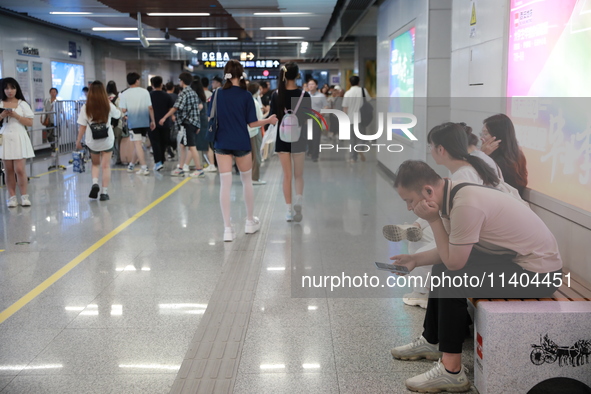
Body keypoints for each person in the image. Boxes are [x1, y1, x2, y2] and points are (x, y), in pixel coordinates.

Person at [389, 160, 562, 393]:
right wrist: (415, 260)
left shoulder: (465, 204)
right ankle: (432, 341)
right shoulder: (451, 194)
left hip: (539, 276)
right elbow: (450, 251)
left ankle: (451, 371)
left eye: (409, 201)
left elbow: (454, 261)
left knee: (453, 278)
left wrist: (433, 221)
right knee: (443, 271)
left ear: (428, 191)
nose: (410, 208)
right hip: (519, 263)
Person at [210, 60, 277, 241]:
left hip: (221, 142)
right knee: (246, 181)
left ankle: (227, 229)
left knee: (225, 184)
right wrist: (268, 120)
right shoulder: (246, 96)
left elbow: (212, 117)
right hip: (241, 142)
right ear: (241, 75)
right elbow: (252, 123)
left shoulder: (217, 94)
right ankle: (249, 222)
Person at [270, 62, 311, 222]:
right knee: (298, 175)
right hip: (299, 137)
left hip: (282, 138)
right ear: (298, 75)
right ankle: (299, 200)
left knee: (286, 175)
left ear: (284, 75)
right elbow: (307, 118)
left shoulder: (276, 94)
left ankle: (288, 210)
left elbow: (274, 117)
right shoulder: (304, 96)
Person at [75, 81, 121, 201]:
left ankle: (95, 183)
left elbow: (82, 126)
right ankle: (104, 193)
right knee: (106, 166)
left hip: (93, 141)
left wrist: (78, 140)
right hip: (107, 140)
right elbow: (117, 115)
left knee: (95, 164)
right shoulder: (108, 104)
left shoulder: (86, 107)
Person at [159, 72, 204, 178]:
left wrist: (164, 117)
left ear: (182, 81)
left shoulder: (184, 93)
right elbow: (197, 108)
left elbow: (176, 107)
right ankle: (181, 168)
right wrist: (197, 125)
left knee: (192, 147)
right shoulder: (193, 92)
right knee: (182, 145)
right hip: (192, 123)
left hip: (187, 123)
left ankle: (199, 169)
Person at [0, 78, 35, 207]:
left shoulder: (22, 104)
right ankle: (12, 197)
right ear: (3, 89)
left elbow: (30, 122)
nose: (10, 91)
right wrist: (2, 115)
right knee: (8, 170)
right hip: (4, 136)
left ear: (16, 89)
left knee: (19, 169)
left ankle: (24, 196)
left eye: (12, 88)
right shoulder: (0, 103)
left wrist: (16, 116)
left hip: (19, 135)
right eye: (7, 88)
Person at [481, 113, 528, 196]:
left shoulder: (500, 162)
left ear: (498, 136)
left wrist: (482, 155)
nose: (482, 138)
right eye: (481, 134)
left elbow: (478, 183)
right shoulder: (517, 155)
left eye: (486, 134)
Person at [119, 72, 156, 175]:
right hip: (144, 122)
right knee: (138, 144)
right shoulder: (145, 92)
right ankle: (132, 165)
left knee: (137, 144)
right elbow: (150, 107)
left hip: (133, 122)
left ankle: (144, 167)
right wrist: (152, 120)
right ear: (136, 80)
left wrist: (127, 113)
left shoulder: (125, 94)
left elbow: (123, 109)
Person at [149, 76, 175, 172]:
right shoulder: (167, 96)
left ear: (152, 85)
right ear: (161, 84)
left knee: (155, 142)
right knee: (163, 142)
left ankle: (158, 162)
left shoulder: (149, 95)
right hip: (165, 123)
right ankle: (162, 160)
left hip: (152, 123)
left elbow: (148, 108)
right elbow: (170, 109)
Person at [342, 76, 371, 162]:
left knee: (352, 138)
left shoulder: (347, 93)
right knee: (362, 136)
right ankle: (360, 148)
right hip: (361, 118)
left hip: (350, 118)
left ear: (350, 83)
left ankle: (353, 158)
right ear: (359, 82)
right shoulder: (363, 90)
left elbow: (345, 108)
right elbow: (368, 101)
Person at [190, 78, 216, 172]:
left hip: (201, 122)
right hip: (205, 121)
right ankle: (209, 164)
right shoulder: (202, 96)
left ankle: (210, 165)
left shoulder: (197, 97)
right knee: (205, 145)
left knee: (202, 145)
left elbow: (198, 108)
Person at [247, 82, 267, 185]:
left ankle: (248, 178)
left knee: (248, 156)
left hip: (246, 131)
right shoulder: (254, 102)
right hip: (254, 131)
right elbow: (260, 119)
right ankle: (255, 178)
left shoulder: (246, 101)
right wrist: (269, 116)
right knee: (256, 156)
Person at [307, 78, 329, 162]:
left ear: (316, 85)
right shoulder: (305, 95)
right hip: (307, 118)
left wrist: (320, 114)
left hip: (317, 118)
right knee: (308, 137)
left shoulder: (321, 96)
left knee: (316, 137)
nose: (311, 86)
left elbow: (326, 107)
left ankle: (315, 155)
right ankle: (311, 151)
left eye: (312, 84)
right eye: (309, 84)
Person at [106, 81, 125, 165]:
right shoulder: (118, 98)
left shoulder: (105, 98)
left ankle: (112, 156)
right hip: (118, 124)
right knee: (118, 141)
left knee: (110, 142)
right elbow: (120, 112)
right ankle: (118, 158)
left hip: (107, 123)